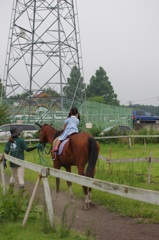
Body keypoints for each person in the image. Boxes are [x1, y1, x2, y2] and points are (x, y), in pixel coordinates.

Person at [4, 126, 41, 192]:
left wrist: (4, 161)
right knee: (20, 178)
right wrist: (36, 147)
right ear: (17, 133)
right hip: (20, 162)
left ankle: (10, 193)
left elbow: (6, 152)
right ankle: (21, 195)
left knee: (13, 177)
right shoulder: (21, 140)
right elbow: (27, 149)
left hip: (12, 163)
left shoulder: (9, 141)